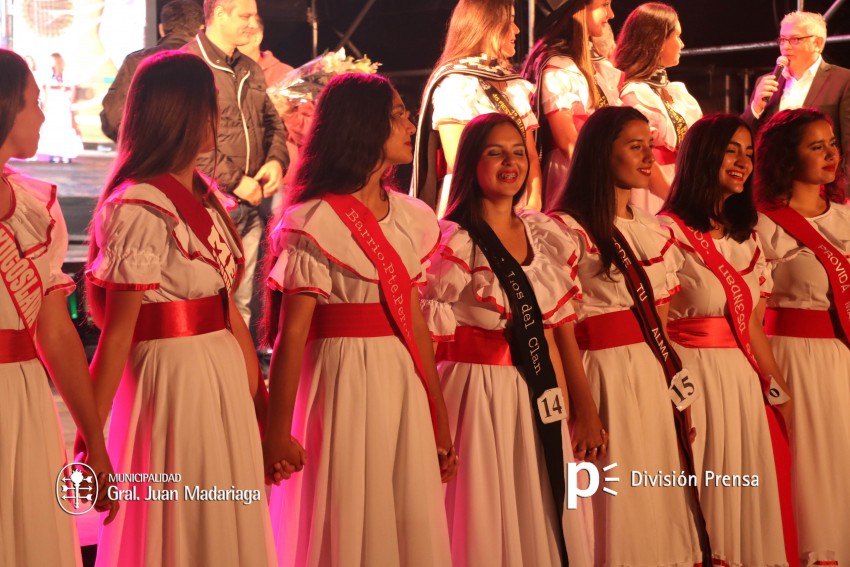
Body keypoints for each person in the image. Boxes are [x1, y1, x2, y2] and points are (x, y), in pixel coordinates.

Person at [85, 51, 276, 566]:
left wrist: (263, 409)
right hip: (173, 380)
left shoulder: (205, 196)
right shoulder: (136, 205)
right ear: (181, 112)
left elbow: (227, 309)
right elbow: (118, 333)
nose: (217, 118)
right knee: (184, 520)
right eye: (209, 105)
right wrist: (92, 439)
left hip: (219, 374)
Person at [262, 73, 456, 567]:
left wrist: (439, 415)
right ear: (363, 126)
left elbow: (414, 322)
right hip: (340, 382)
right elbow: (291, 337)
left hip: (400, 379)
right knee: (347, 510)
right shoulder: (314, 220)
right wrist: (277, 432)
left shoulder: (412, 217)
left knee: (401, 511)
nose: (412, 124)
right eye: (398, 115)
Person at [422, 112, 600, 566]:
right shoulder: (453, 241)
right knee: (483, 512)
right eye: (495, 152)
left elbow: (559, 333)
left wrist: (583, 409)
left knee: (538, 505)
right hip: (475, 394)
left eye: (519, 152)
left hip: (537, 393)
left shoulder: (544, 234)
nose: (510, 162)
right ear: (470, 164)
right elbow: (428, 334)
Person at [548, 106, 704, 564]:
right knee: (613, 499)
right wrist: (585, 408)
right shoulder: (565, 229)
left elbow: (663, 326)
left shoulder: (653, 231)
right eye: (635, 146)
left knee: (654, 497)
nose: (648, 157)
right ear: (601, 152)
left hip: (651, 378)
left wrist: (679, 395)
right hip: (604, 378)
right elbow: (563, 333)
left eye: (648, 145)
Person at [658, 114, 795, 566]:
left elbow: (752, 326)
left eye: (749, 154)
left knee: (744, 498)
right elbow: (655, 327)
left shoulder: (747, 239)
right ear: (702, 156)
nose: (743, 162)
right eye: (731, 151)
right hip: (694, 378)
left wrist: (780, 394)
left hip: (739, 381)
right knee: (705, 500)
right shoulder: (667, 234)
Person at [0, 48, 116, 566]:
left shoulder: (37, 207)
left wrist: (95, 440)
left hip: (24, 398)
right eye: (33, 102)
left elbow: (56, 333)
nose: (43, 116)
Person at [755, 108, 850, 565]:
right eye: (817, 147)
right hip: (793, 357)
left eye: (831, 144)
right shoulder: (765, 223)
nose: (831, 154)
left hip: (841, 357)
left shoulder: (848, 218)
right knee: (808, 470)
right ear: (787, 158)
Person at [183, 0, 289, 328]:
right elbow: (185, 138)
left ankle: (238, 377)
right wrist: (234, 181)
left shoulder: (249, 66)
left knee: (241, 304)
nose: (252, 23)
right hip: (208, 204)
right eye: (245, 16)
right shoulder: (188, 63)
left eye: (255, 16)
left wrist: (275, 160)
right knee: (205, 301)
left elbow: (274, 124)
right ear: (219, 14)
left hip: (251, 204)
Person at [411, 0, 542, 216]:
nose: (517, 30)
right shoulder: (456, 84)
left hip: (518, 205)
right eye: (509, 22)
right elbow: (459, 162)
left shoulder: (514, 86)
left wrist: (533, 206)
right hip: (473, 206)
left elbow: (530, 156)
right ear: (486, 26)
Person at [523, 0, 619, 207]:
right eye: (604, 5)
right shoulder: (559, 68)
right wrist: (600, 180)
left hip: (601, 171)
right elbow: (568, 142)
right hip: (576, 175)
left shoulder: (595, 67)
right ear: (579, 9)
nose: (611, 14)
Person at [615, 2, 702, 214]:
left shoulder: (676, 93)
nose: (681, 44)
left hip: (682, 186)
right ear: (658, 41)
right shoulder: (635, 94)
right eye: (677, 36)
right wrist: (675, 200)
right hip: (654, 193)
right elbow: (645, 158)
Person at [744, 11, 850, 176]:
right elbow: (744, 138)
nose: (785, 47)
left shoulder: (843, 80)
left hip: (823, 190)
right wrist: (755, 107)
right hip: (773, 185)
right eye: (782, 39)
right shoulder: (767, 82)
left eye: (795, 40)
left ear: (817, 42)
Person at [100, 0, 205, 142]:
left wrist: (141, 148)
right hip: (199, 160)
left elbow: (113, 118)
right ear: (202, 28)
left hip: (147, 160)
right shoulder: (210, 62)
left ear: (161, 29)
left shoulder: (136, 61)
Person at [38, 52, 84, 163]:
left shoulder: (67, 72)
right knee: (53, 126)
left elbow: (73, 88)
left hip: (63, 101)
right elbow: (47, 88)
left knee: (65, 126)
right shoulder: (49, 72)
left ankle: (66, 154)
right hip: (53, 101)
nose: (50, 63)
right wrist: (46, 104)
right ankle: (54, 153)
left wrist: (71, 102)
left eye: (52, 60)